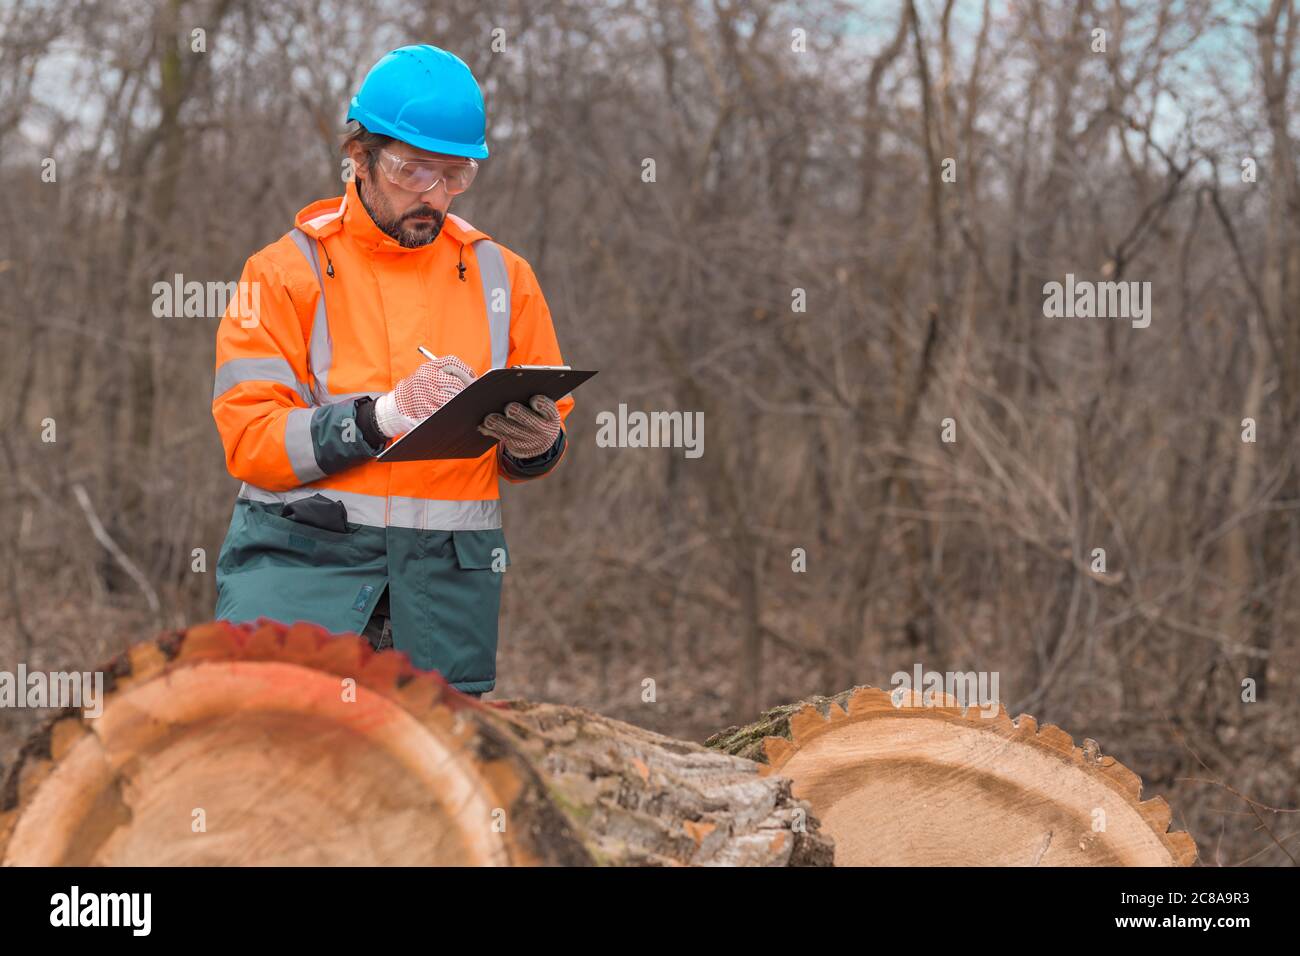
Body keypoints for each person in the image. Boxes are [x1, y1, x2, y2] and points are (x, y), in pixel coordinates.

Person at [210, 44, 573, 698]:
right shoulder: (282, 274)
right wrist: (379, 419)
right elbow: (251, 437)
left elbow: (543, 429)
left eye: (454, 175)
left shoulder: (505, 279)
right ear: (359, 158)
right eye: (412, 170)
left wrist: (539, 446)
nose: (432, 195)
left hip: (444, 604)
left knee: (433, 793)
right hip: (301, 584)